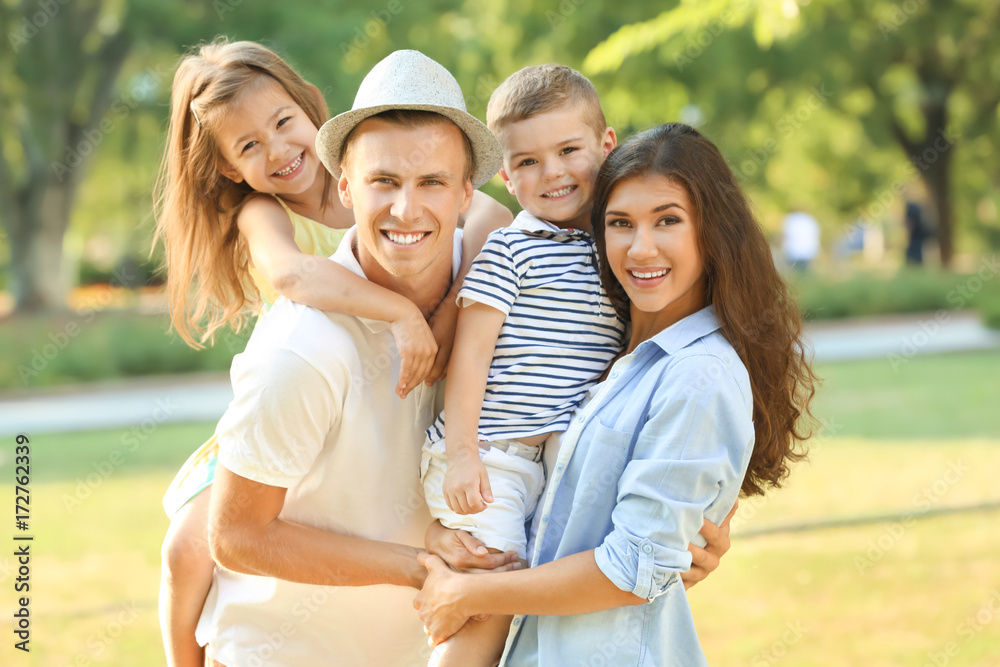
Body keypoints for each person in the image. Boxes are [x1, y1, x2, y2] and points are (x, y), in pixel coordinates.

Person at [151, 40, 511, 667]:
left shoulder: (493, 279)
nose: (277, 151)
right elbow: (292, 277)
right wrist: (401, 313)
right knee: (189, 548)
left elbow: (490, 216)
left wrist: (453, 313)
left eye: (282, 124)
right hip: (272, 428)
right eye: (248, 146)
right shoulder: (272, 241)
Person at [414, 123, 818, 666]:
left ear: (713, 231)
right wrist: (446, 533)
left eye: (668, 221)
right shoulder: (598, 346)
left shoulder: (698, 373)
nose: (640, 247)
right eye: (620, 223)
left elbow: (634, 567)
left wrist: (470, 594)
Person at [417, 64, 623, 665]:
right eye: (528, 162)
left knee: (554, 589)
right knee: (489, 593)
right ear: (506, 175)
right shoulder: (510, 249)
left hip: (553, 456)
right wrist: (461, 455)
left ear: (605, 146)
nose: (552, 172)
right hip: (488, 459)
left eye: (568, 150)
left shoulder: (615, 249)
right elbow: (470, 358)